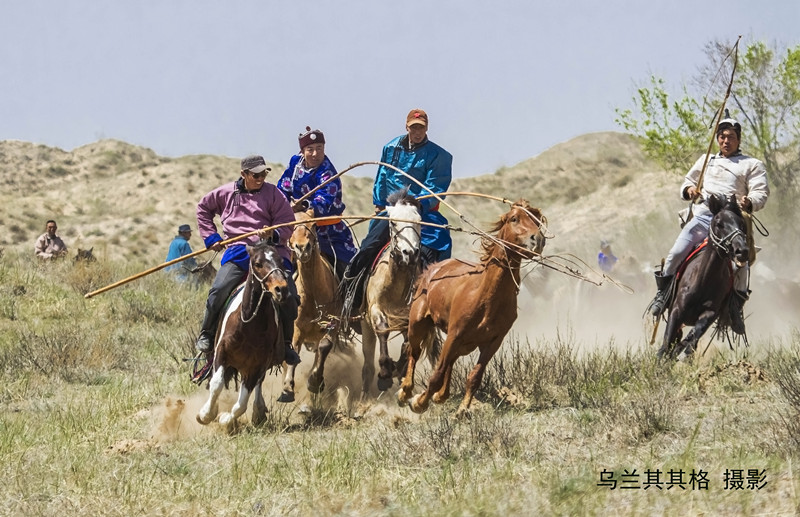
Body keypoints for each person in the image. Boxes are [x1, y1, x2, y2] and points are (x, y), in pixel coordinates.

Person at [648, 113, 769, 333]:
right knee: (675, 253)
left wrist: (750, 201)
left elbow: (761, 192)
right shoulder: (707, 160)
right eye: (722, 136)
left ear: (738, 139)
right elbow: (688, 181)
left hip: (732, 220)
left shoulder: (752, 164)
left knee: (742, 266)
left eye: (730, 136)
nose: (725, 141)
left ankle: (734, 309)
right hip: (705, 215)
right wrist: (689, 190)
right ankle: (662, 296)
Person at [341, 108, 453, 315]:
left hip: (421, 213)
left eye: (420, 127)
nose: (417, 131)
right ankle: (351, 300)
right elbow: (382, 176)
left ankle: (430, 304)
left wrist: (416, 204)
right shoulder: (390, 148)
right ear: (406, 127)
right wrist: (379, 202)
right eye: (413, 127)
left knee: (433, 251)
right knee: (367, 248)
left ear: (426, 128)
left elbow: (435, 188)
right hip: (391, 212)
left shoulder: (439, 155)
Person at [195, 155, 301, 365]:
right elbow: (203, 209)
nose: (261, 178)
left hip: (271, 252)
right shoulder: (225, 193)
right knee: (219, 289)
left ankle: (286, 344)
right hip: (239, 251)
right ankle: (207, 333)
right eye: (256, 174)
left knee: (289, 294)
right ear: (244, 174)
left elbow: (287, 221)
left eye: (264, 173)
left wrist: (272, 235)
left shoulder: (273, 194)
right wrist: (212, 238)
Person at [277, 126, 358, 280]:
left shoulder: (327, 171)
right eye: (310, 149)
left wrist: (304, 206)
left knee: (350, 272)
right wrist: (283, 207)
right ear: (302, 151)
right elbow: (283, 188)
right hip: (295, 229)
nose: (315, 153)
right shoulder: (295, 163)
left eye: (319, 148)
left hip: (329, 232)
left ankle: (351, 302)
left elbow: (324, 201)